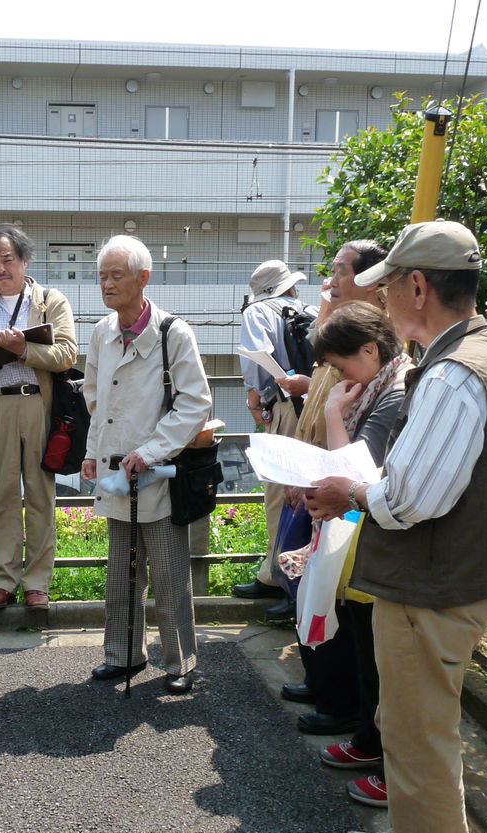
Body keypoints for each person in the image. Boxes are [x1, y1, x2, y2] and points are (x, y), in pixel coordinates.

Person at [305, 221, 487, 833]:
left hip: (433, 583)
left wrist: (351, 492)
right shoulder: (482, 356)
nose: (380, 299)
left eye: (387, 285)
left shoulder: (452, 374)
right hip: (447, 579)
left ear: (418, 286)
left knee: (419, 738)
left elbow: (412, 499)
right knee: (409, 725)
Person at [82, 235, 211, 694]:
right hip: (118, 473)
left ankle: (181, 664)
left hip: (159, 473)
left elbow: (195, 403)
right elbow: (95, 401)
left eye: (117, 275)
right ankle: (123, 655)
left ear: (143, 278)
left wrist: (151, 451)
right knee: (121, 573)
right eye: (102, 276)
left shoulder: (173, 332)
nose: (107, 284)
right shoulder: (101, 331)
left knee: (170, 576)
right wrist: (91, 453)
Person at [302, 302, 413, 809]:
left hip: (384, 539)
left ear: (370, 350)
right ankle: (370, 741)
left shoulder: (396, 392)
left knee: (385, 661)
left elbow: (354, 469)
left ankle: (391, 765)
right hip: (366, 535)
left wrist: (332, 414)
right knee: (365, 646)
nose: (337, 376)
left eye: (339, 364)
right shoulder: (377, 386)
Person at [279, 239, 388, 708]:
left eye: (342, 270)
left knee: (331, 590)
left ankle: (336, 694)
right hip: (315, 472)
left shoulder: (375, 343)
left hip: (339, 485)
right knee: (307, 580)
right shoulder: (337, 330)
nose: (331, 280)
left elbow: (358, 446)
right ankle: (320, 680)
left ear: (372, 281)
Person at [0, 224, 78, 610]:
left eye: (7, 259)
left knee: (41, 494)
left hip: (38, 403)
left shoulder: (50, 300)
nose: (0, 268)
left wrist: (24, 349)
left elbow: (67, 354)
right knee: (2, 496)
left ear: (24, 261)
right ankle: (2, 581)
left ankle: (37, 583)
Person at [231, 260, 313, 620]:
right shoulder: (310, 309)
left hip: (285, 408)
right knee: (307, 494)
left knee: (282, 496)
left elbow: (255, 362)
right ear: (290, 285)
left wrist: (254, 401)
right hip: (314, 405)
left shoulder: (258, 312)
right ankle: (276, 575)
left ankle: (287, 583)